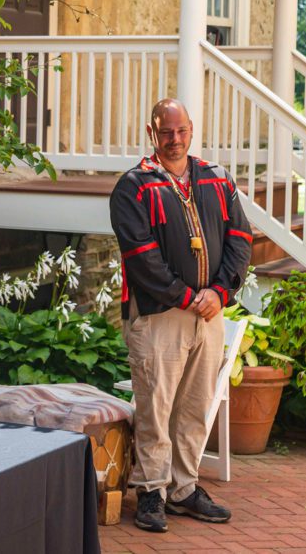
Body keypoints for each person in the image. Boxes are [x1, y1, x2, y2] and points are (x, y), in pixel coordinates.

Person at [110, 98, 252, 533]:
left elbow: (241, 238)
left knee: (194, 406)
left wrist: (220, 292)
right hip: (159, 314)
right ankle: (151, 490)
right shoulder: (133, 186)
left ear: (192, 129)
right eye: (166, 132)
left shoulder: (217, 178)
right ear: (151, 133)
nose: (175, 139)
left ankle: (183, 489)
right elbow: (141, 257)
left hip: (209, 313)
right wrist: (188, 296)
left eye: (182, 130)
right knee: (155, 406)